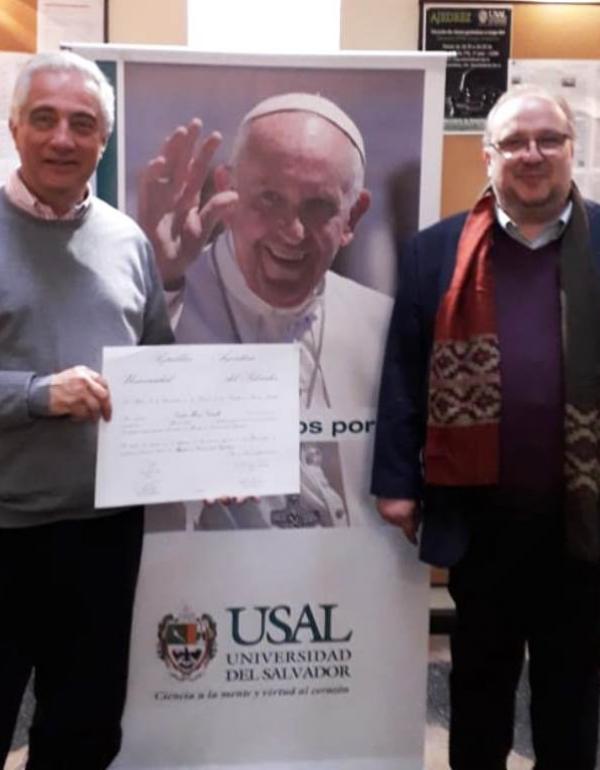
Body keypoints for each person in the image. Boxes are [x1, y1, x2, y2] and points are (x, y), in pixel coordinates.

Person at [372, 84, 600, 770]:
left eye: (549, 140)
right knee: (478, 687)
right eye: (515, 142)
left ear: (571, 150)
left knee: (574, 691)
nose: (532, 155)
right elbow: (404, 372)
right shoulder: (436, 251)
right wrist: (396, 482)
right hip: (480, 516)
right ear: (487, 155)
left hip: (583, 518)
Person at [0, 51, 173, 770]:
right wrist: (36, 393)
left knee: (86, 729)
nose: (63, 139)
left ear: (103, 141)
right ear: (14, 128)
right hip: (3, 528)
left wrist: (206, 454)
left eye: (83, 124)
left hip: (102, 534)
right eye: (45, 119)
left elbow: (160, 368)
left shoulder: (127, 241)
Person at [140, 93, 392, 530]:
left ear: (353, 216)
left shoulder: (384, 325)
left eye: (319, 207)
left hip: (346, 585)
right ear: (226, 190)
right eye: (269, 199)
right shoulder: (165, 303)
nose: (292, 233)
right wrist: (160, 284)